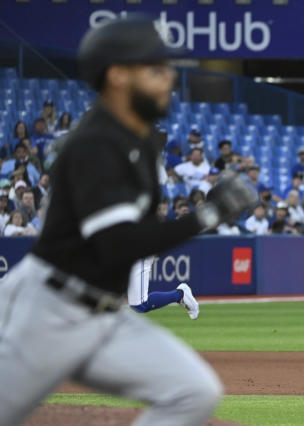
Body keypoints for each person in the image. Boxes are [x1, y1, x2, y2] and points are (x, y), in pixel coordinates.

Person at [0, 17, 257, 425]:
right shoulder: (96, 143)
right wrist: (208, 214)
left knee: (193, 393)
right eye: (155, 69)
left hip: (103, 316)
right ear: (118, 76)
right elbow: (118, 244)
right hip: (47, 311)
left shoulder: (137, 143)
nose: (169, 78)